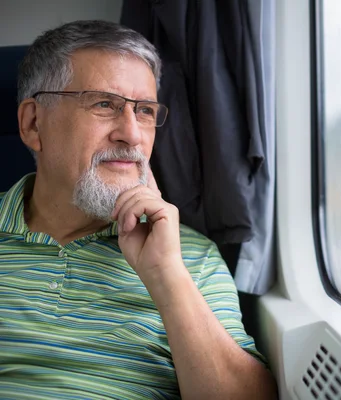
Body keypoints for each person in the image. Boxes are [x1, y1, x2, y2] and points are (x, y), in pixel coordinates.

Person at [0, 20, 277, 399]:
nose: (132, 134)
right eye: (104, 104)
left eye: (144, 111)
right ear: (33, 123)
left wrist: (166, 276)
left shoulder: (189, 258)